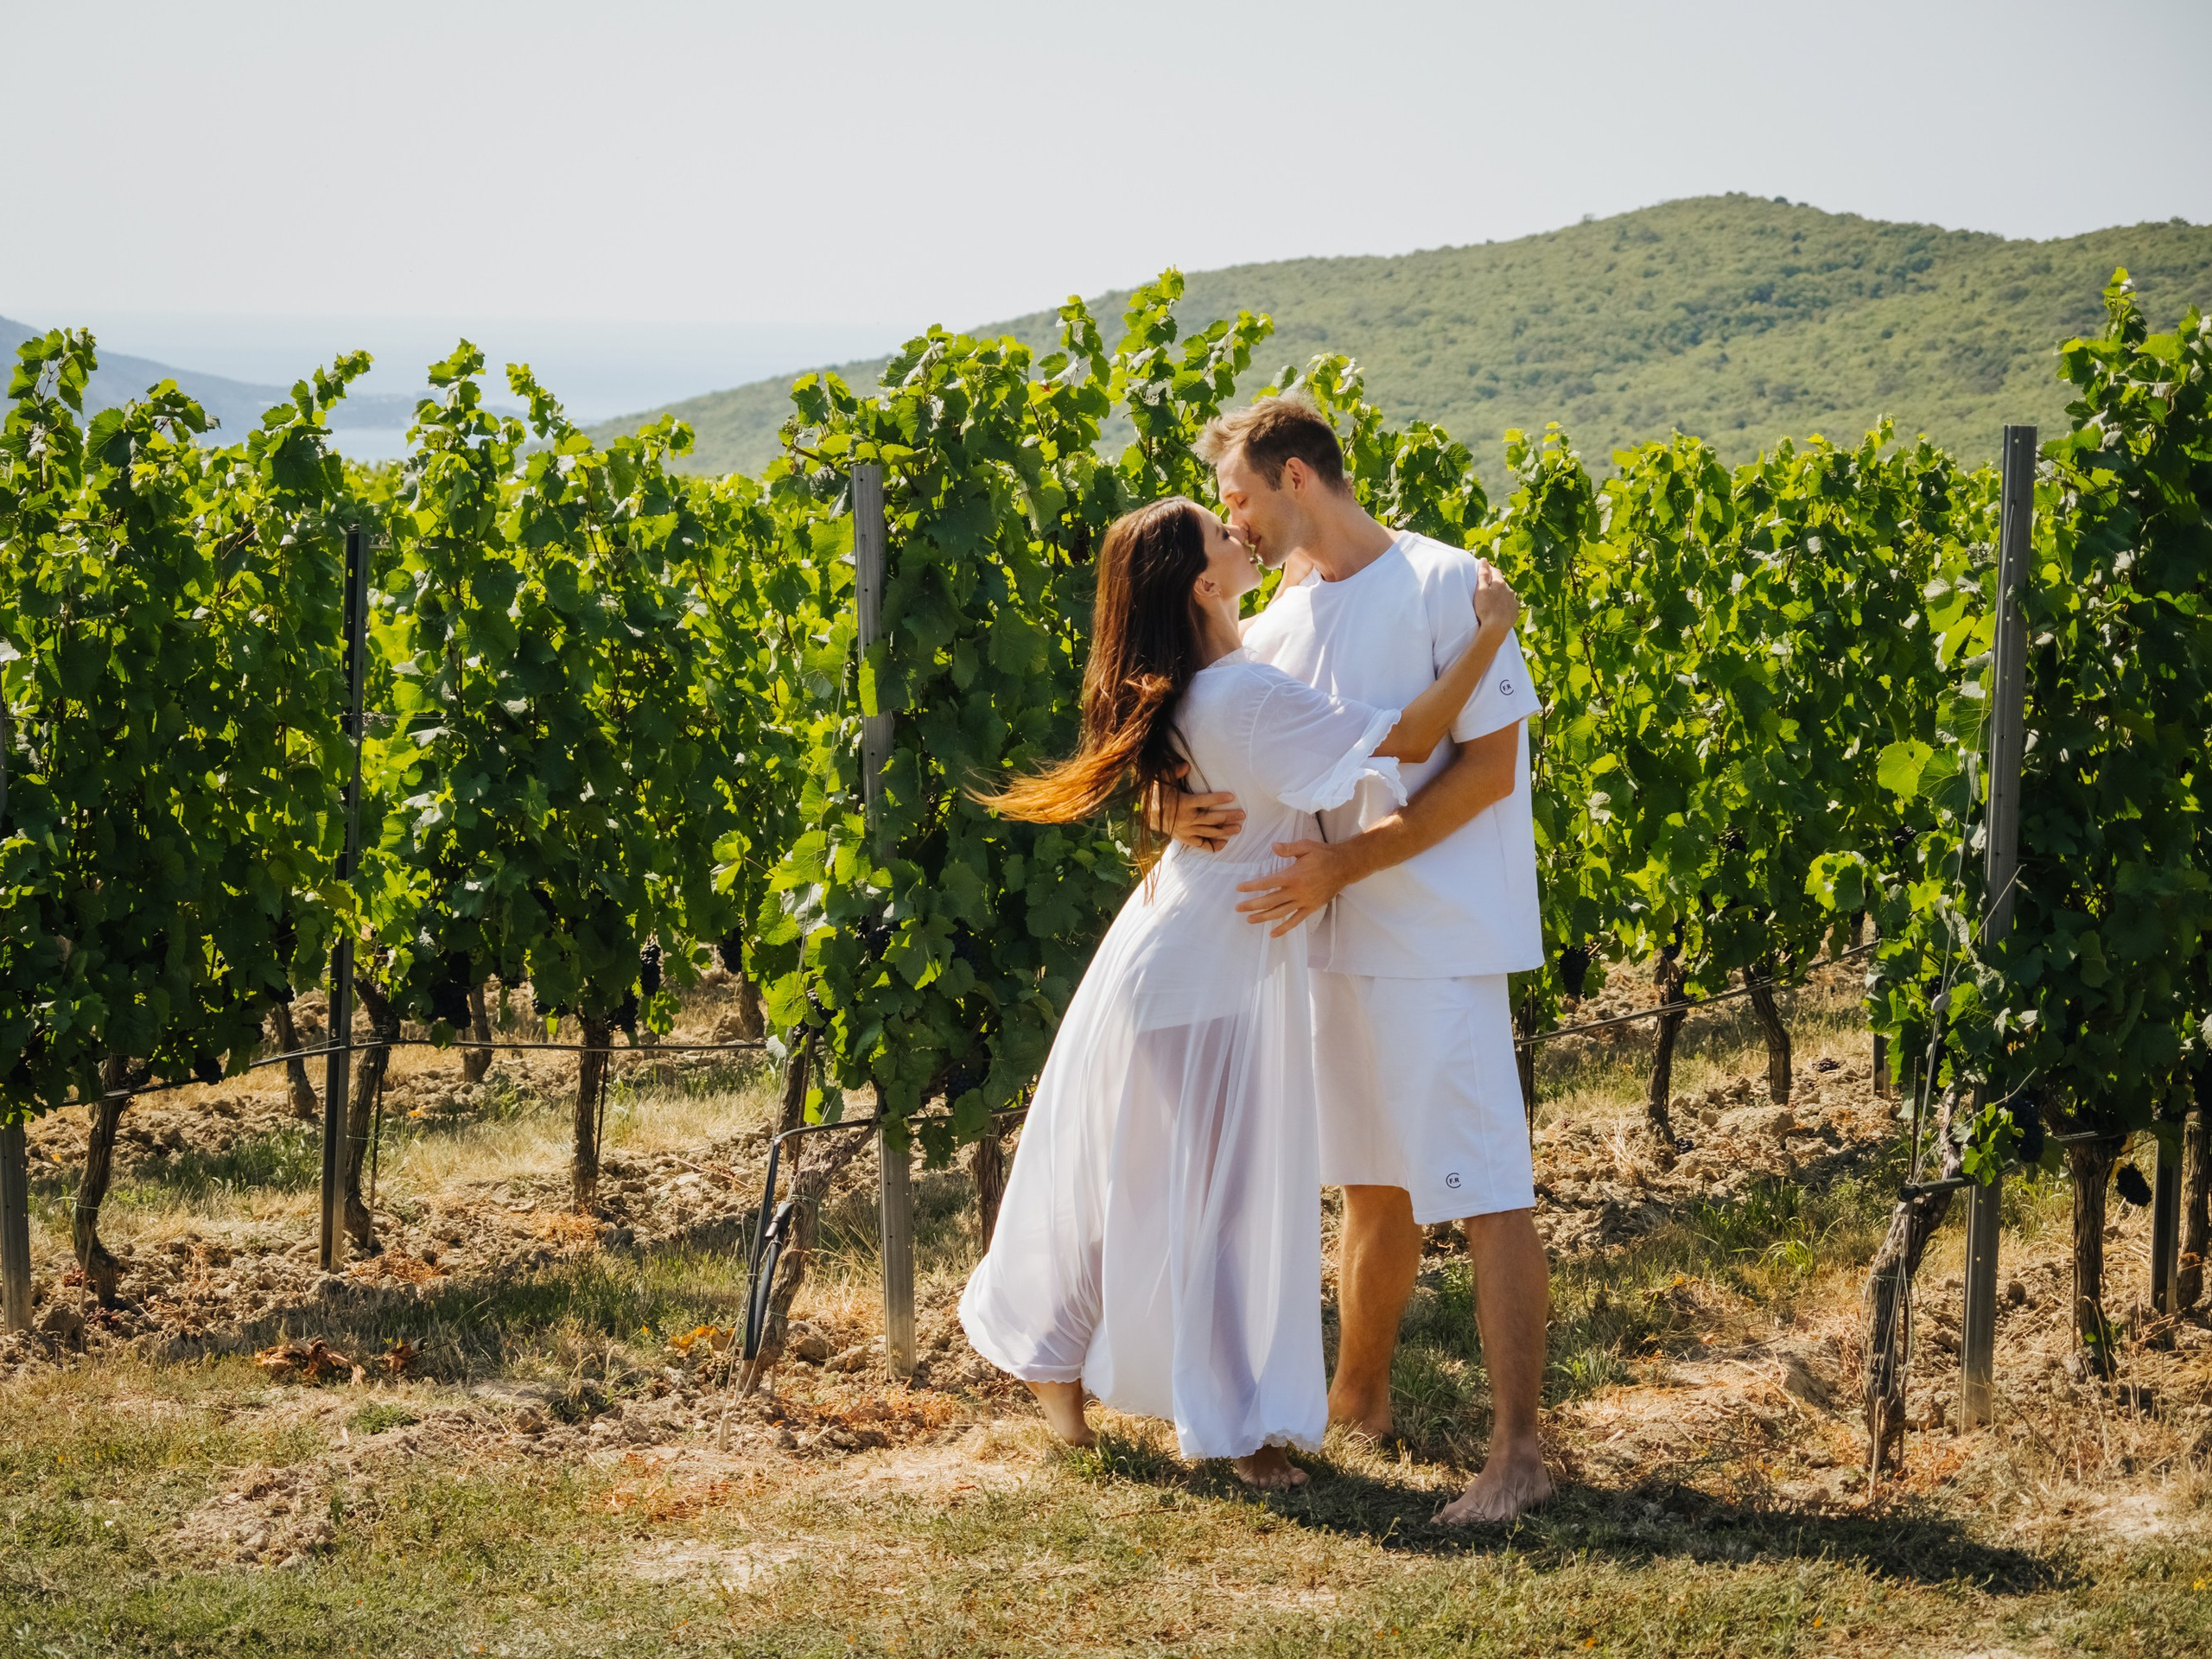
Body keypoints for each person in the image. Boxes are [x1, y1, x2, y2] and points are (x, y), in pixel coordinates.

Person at [958, 495, 1522, 1491]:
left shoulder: (1217, 677)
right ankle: (1234, 1431)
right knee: (1216, 1206)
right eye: (1221, 533)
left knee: (1144, 1182)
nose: (1240, 533)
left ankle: (1055, 1360)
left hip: (1187, 956)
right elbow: (1411, 736)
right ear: (1202, 584)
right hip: (1205, 971)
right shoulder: (1244, 694)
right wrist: (1490, 633)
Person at [1166, 396, 1553, 1524]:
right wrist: (1171, 808)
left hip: (1437, 939)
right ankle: (1360, 1402)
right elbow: (1223, 745)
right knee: (1370, 1187)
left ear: (1294, 477)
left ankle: (1519, 1454)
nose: (1233, 523)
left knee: (1483, 1187)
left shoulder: (1447, 584)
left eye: (1237, 496)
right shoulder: (1277, 618)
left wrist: (1345, 866)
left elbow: (1486, 770)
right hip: (1323, 944)